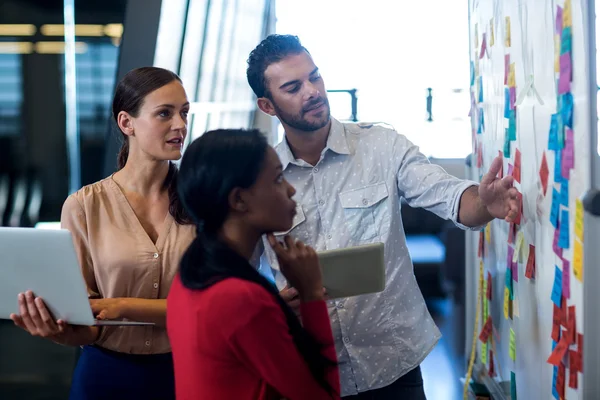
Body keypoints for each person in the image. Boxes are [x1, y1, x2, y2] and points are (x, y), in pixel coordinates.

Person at [246, 34, 521, 399]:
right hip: (307, 368)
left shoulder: (382, 146)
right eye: (293, 87)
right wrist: (270, 305)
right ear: (267, 105)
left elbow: (451, 197)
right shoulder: (260, 176)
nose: (312, 91)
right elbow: (236, 271)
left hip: (393, 364)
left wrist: (485, 203)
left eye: (315, 77)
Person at [9, 66, 195, 400]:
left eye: (184, 112)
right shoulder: (84, 206)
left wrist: (120, 305)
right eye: (164, 113)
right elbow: (88, 322)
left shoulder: (204, 199)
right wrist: (58, 331)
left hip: (191, 372)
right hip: (107, 377)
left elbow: (211, 307)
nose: (180, 125)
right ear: (127, 123)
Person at [167, 128, 340, 400]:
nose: (291, 189)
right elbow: (324, 397)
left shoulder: (190, 274)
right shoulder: (241, 298)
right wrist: (311, 294)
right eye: (278, 179)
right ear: (238, 199)